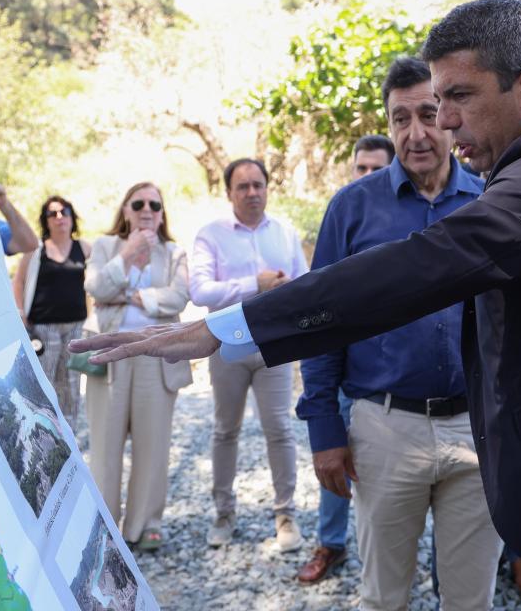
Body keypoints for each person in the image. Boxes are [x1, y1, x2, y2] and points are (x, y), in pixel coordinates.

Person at [72, 0, 521, 585]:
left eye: (458, 97)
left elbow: (421, 266)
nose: (444, 123)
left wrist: (227, 327)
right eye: (428, 105)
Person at [296, 58, 498, 609]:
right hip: (384, 430)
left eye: (428, 114)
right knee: (383, 599)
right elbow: (319, 323)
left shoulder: (490, 200)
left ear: (449, 115)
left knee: (472, 601)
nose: (416, 133)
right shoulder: (352, 209)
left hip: (475, 429)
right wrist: (324, 430)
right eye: (400, 119)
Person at [188, 159, 308, 552]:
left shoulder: (285, 233)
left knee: (280, 429)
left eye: (258, 184)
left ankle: (286, 514)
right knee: (226, 429)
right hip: (228, 345)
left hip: (275, 344)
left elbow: (306, 283)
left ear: (268, 188)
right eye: (243, 186)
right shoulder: (211, 235)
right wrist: (252, 284)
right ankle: (224, 513)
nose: (252, 192)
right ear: (229, 193)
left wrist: (289, 288)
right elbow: (200, 291)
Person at [297, 132, 396, 586]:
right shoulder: (345, 214)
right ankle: (331, 543)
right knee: (336, 463)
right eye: (362, 168)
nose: (367, 176)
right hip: (350, 373)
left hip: (406, 386)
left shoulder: (411, 216)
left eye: (377, 169)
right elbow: (318, 309)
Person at [83, 181, 191, 551]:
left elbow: (179, 296)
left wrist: (128, 296)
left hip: (156, 357)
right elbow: (96, 288)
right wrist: (128, 254)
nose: (147, 210)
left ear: (162, 214)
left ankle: (145, 525)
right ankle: (105, 524)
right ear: (126, 209)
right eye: (139, 203)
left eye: (154, 205)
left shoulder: (174, 253)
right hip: (110, 353)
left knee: (153, 444)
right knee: (105, 445)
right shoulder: (105, 246)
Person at [12, 196, 90, 432]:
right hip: (43, 327)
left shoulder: (85, 248)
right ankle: (42, 429)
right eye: (52, 213)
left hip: (76, 326)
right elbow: (18, 282)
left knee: (71, 382)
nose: (59, 217)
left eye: (64, 212)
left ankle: (68, 432)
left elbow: (95, 284)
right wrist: (20, 313)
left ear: (72, 217)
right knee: (43, 380)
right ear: (45, 220)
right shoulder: (35, 250)